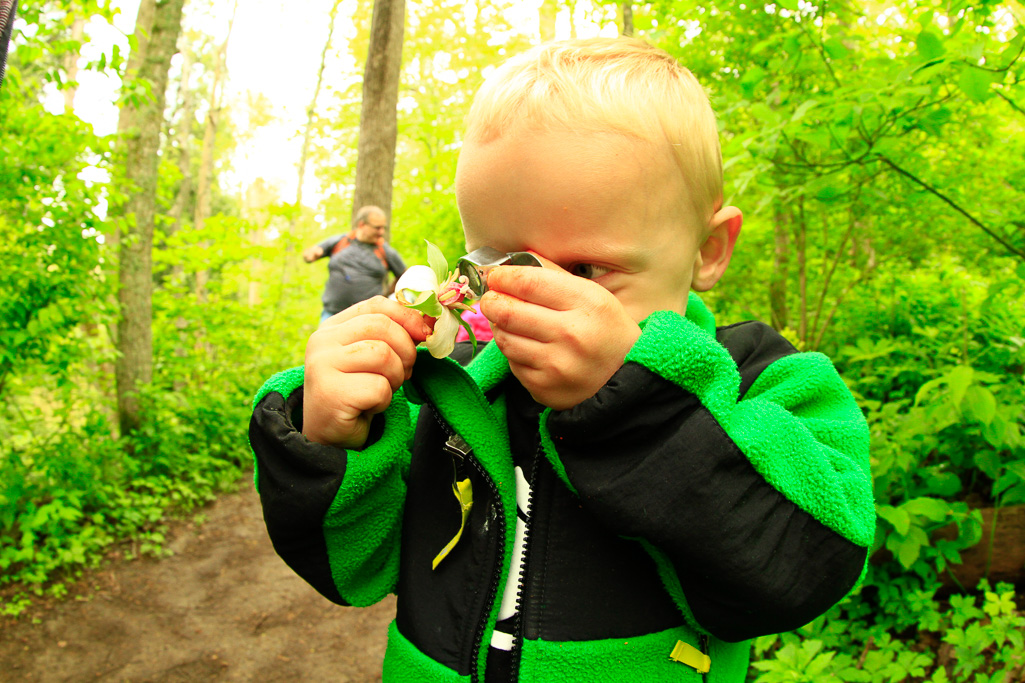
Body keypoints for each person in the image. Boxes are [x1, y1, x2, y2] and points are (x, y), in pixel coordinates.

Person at [250, 38, 874, 682]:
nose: (533, 300)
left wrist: (639, 404)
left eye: (585, 270)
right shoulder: (449, 387)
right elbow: (351, 569)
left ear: (708, 250)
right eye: (496, 263)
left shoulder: (763, 385)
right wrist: (330, 437)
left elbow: (804, 571)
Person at [303, 205, 407, 324]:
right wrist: (311, 254)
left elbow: (404, 276)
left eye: (383, 228)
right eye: (377, 228)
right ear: (362, 225)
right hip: (332, 315)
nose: (381, 232)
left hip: (366, 318)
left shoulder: (385, 251)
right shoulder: (340, 242)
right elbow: (308, 255)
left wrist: (387, 293)